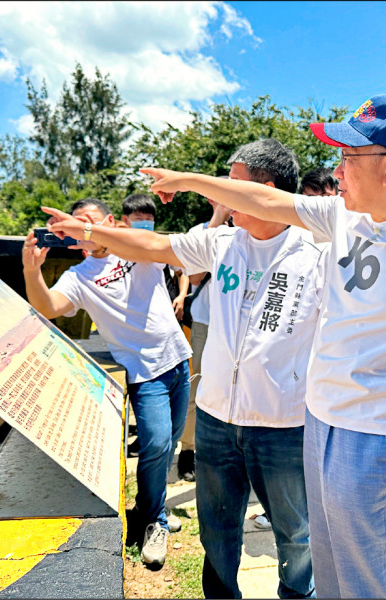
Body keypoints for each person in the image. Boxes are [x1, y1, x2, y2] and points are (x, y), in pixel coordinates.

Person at [139, 94, 386, 598]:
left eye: (348, 159)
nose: (336, 172)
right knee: (329, 565)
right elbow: (267, 201)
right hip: (321, 419)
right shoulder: (343, 216)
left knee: (372, 573)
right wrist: (188, 182)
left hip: (380, 433)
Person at [44, 138, 322, 600]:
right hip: (215, 419)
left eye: (231, 188)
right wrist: (92, 234)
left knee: (295, 536)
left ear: (266, 191)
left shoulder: (317, 251)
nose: (222, 199)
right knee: (217, 533)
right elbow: (152, 245)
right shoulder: (222, 242)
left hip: (283, 424)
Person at [21, 197, 191, 567]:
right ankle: (155, 522)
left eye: (89, 223)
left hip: (178, 358)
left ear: (110, 222)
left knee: (169, 445)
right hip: (145, 373)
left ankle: (150, 505)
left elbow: (173, 252)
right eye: (74, 226)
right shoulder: (78, 277)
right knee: (156, 445)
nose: (82, 231)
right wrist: (32, 270)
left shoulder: (134, 249)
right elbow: (48, 307)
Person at [176, 193, 233, 483]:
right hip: (206, 322)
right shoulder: (200, 233)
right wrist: (217, 221)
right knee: (196, 384)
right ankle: (188, 449)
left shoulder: (253, 231)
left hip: (240, 327)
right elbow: (195, 276)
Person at [121, 193, 190, 323]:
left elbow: (182, 273)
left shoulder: (162, 244)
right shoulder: (117, 247)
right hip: (132, 313)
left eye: (148, 218)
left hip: (166, 311)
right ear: (125, 220)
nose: (145, 222)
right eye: (139, 218)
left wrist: (181, 297)